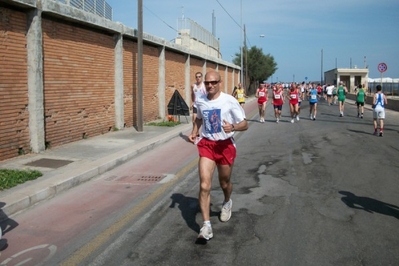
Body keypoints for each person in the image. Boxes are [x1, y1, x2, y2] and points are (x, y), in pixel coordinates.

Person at [188, 70, 248, 241]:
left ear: (219, 83)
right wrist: (194, 131)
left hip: (225, 145)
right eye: (207, 83)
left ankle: (227, 201)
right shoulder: (200, 100)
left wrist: (234, 128)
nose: (210, 85)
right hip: (207, 144)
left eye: (213, 82)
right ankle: (206, 226)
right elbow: (199, 118)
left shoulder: (229, 100)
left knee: (224, 182)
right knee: (204, 184)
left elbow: (245, 123)